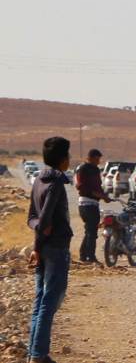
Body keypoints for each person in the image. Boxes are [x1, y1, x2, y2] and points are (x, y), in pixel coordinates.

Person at [27, 136, 73, 363]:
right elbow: (43, 220)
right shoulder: (55, 184)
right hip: (55, 248)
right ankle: (39, 355)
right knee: (50, 301)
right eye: (68, 155)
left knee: (40, 301)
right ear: (63, 159)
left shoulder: (38, 180)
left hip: (43, 247)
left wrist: (37, 245)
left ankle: (34, 352)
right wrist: (42, 229)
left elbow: (32, 218)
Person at [75, 149, 111, 263]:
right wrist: (99, 195)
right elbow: (81, 187)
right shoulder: (83, 169)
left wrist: (104, 195)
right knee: (92, 232)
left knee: (90, 230)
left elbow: (98, 187)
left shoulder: (95, 169)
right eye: (96, 159)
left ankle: (83, 255)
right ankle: (91, 257)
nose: (98, 161)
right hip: (86, 204)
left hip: (94, 204)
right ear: (90, 158)